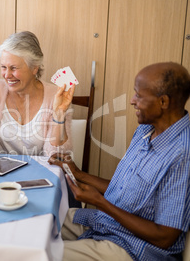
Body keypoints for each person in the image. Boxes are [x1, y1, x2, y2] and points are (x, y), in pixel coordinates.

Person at [49, 62, 190, 260]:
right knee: (36, 221)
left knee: (44, 254)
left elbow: (165, 237)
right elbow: (122, 190)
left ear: (163, 102)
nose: (132, 101)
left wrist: (99, 202)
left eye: (138, 95)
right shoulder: (145, 130)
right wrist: (80, 174)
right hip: (107, 224)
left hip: (133, 248)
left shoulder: (183, 155)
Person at [0, 31, 75, 171]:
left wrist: (59, 115)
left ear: (34, 68)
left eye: (13, 68)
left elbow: (58, 155)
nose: (7, 75)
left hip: (41, 174)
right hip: (0, 174)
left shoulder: (56, 95)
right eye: (3, 67)